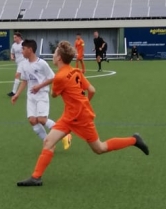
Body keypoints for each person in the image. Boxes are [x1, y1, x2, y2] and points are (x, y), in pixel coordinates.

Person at [17, 41, 148, 187]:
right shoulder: (76, 71)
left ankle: (134, 140)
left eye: (54, 53)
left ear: (59, 58)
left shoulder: (60, 77)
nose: (53, 55)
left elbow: (54, 94)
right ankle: (36, 177)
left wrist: (79, 107)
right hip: (69, 116)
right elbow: (92, 90)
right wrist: (83, 104)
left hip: (81, 118)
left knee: (99, 148)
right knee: (48, 141)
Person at [11, 38, 71, 151]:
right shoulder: (24, 64)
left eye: (23, 49)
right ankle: (49, 143)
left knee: (42, 119)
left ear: (30, 50)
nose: (21, 51)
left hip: (42, 95)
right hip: (31, 97)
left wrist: (39, 86)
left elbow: (53, 78)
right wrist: (17, 94)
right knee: (32, 120)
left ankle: (65, 134)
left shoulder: (42, 64)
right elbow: (25, 80)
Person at [9, 31, 24, 96]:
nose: (14, 39)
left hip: (24, 62)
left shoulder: (23, 44)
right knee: (27, 77)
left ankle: (13, 92)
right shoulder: (14, 45)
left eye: (15, 37)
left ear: (19, 37)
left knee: (17, 75)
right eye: (13, 37)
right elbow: (12, 53)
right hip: (18, 63)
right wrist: (12, 57)